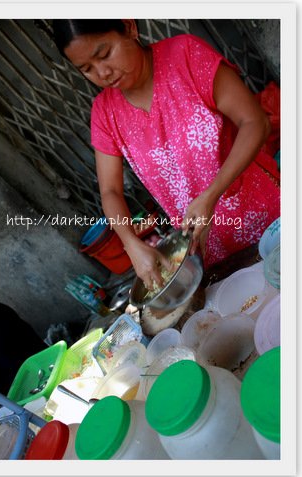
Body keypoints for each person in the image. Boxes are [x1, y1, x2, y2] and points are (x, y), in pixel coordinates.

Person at [52, 19, 280, 289]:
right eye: (87, 69)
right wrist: (131, 244)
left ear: (129, 27)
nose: (103, 72)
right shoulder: (104, 113)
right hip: (210, 247)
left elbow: (255, 123)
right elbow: (110, 191)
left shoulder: (186, 55)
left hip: (265, 217)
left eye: (104, 54)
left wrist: (210, 195)